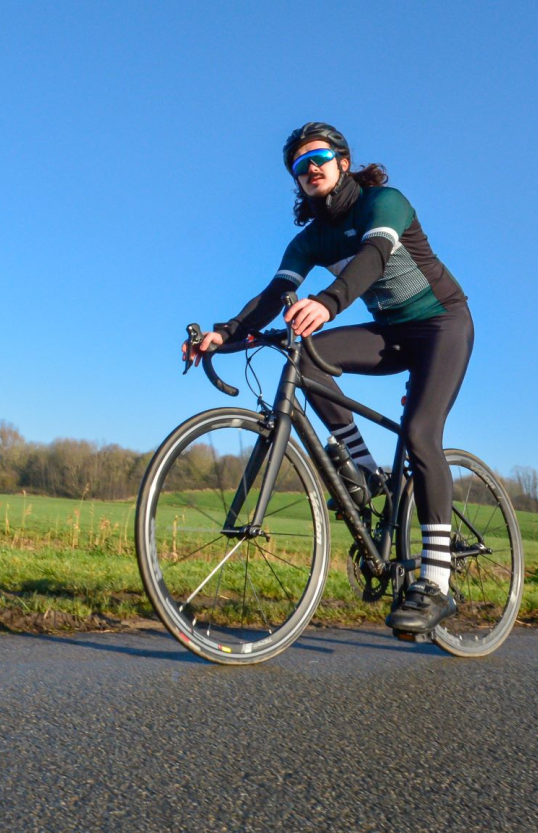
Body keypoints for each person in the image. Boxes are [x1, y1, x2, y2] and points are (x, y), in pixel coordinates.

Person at [182, 122, 474, 634]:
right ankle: (363, 470)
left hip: (443, 325)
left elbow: (373, 258)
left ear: (343, 160)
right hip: (391, 333)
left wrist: (328, 301)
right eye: (299, 165)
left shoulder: (385, 202)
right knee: (307, 357)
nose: (310, 168)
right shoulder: (311, 239)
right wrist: (223, 336)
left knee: (421, 433)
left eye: (318, 156)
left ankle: (436, 582)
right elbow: (273, 296)